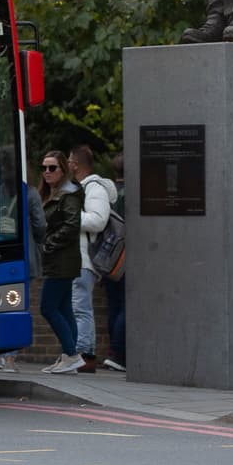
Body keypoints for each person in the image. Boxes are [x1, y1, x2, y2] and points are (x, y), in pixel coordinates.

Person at [0, 157, 46, 371]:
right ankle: (8, 356)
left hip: (2, 255)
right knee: (17, 305)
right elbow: (40, 226)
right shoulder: (30, 193)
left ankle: (2, 355)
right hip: (24, 256)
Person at [68, 144, 118, 373]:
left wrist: (68, 217)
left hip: (84, 259)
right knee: (76, 307)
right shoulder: (80, 188)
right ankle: (79, 353)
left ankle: (85, 355)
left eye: (69, 161)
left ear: (76, 164)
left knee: (81, 308)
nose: (67, 165)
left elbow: (97, 220)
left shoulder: (94, 188)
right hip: (75, 258)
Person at [37, 150, 85, 373]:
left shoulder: (69, 194)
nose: (47, 172)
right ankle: (69, 358)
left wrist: (48, 244)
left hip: (62, 259)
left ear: (63, 170)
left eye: (52, 168)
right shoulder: (53, 193)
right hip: (59, 259)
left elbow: (71, 225)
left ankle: (72, 355)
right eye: (44, 168)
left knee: (48, 307)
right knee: (64, 308)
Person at [103, 154, 127, 371]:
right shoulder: (130, 195)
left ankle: (113, 350)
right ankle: (119, 354)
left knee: (114, 304)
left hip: (108, 256)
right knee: (127, 305)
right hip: (126, 256)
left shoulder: (109, 196)